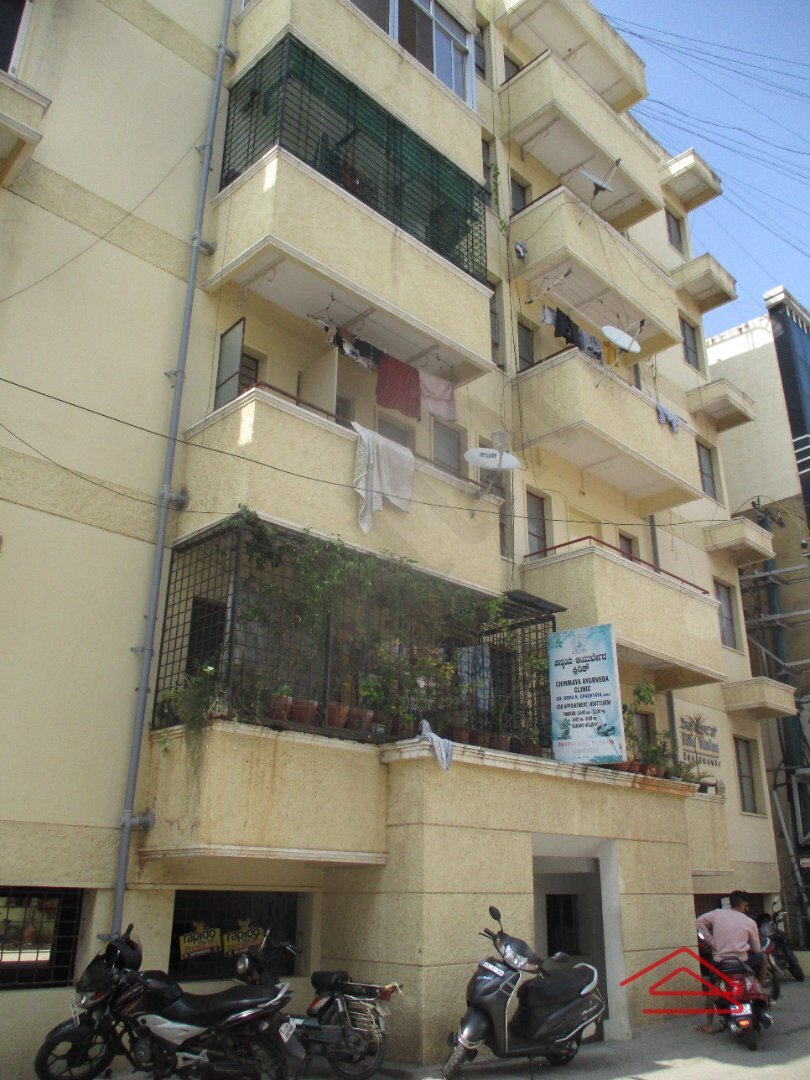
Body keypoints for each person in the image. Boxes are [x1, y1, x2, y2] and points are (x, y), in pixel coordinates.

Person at [694, 890, 769, 1034]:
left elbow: (698, 922)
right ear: (744, 905)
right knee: (763, 957)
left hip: (720, 962)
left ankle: (708, 1025)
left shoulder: (717, 914)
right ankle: (760, 987)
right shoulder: (749, 922)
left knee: (712, 989)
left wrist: (711, 941)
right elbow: (756, 948)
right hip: (741, 962)